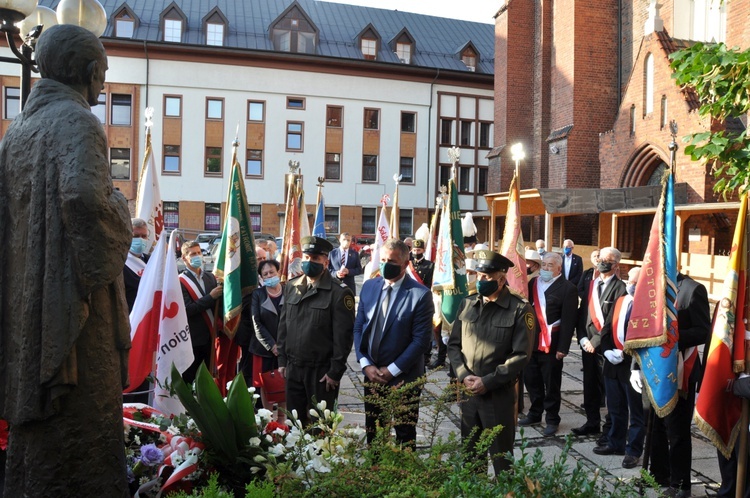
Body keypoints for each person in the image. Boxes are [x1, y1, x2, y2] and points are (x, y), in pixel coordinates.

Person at [0, 24, 132, 496]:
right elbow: (84, 201)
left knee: (38, 453)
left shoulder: (18, 133)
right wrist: (122, 207)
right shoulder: (77, 121)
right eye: (103, 72)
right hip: (75, 311)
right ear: (89, 70)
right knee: (83, 444)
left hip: (30, 318)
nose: (103, 83)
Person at [447, 249, 535, 475]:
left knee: (501, 460)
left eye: (486, 277)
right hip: (469, 394)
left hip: (498, 396)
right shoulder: (467, 303)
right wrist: (464, 375)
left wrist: (488, 381)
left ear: (501, 279)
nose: (480, 281)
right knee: (470, 457)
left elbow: (521, 355)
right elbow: (454, 345)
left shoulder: (519, 308)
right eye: (478, 276)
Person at [353, 239, 434, 446]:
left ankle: (404, 477)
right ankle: (375, 471)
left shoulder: (420, 294)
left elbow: (421, 341)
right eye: (382, 260)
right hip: (371, 374)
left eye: (391, 261)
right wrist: (365, 364)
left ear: (406, 264)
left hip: (404, 379)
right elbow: (359, 327)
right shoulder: (370, 286)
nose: (385, 264)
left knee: (404, 436)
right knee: (374, 432)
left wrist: (391, 370)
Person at [643, 272, 710, 497]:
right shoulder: (650, 287)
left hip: (681, 368)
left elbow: (702, 330)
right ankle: (659, 474)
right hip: (654, 369)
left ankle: (681, 484)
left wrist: (672, 336)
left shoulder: (693, 289)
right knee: (654, 427)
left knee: (677, 430)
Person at [277, 236, 355, 428]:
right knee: (294, 424)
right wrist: (282, 360)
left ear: (326, 262)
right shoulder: (292, 287)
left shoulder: (339, 292)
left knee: (320, 427)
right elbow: (283, 326)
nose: (309, 262)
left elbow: (343, 337)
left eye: (315, 258)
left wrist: (335, 372)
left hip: (321, 373)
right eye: (306, 257)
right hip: (293, 369)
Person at [519, 252, 578, 437]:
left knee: (551, 383)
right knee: (532, 379)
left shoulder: (568, 288)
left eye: (550, 265)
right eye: (543, 264)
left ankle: (552, 419)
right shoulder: (532, 283)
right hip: (532, 341)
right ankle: (535, 413)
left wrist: (563, 348)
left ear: (559, 268)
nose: (545, 268)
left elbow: (569, 321)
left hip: (552, 344)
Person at [573, 247, 626, 436]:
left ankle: (609, 428)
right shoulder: (591, 284)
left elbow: (614, 320)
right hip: (587, 345)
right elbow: (582, 314)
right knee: (590, 386)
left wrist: (595, 341)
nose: (603, 262)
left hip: (607, 347)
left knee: (610, 390)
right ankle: (591, 422)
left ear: (616, 264)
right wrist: (582, 337)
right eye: (601, 258)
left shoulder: (621, 289)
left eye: (608, 260)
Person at [594, 267, 644, 469]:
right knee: (615, 408)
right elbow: (606, 328)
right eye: (628, 280)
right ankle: (615, 443)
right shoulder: (621, 300)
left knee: (636, 413)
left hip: (633, 366)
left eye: (634, 282)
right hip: (612, 363)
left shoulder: (648, 308)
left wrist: (626, 354)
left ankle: (633, 450)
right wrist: (606, 351)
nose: (630, 285)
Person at [179, 240, 223, 384]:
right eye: (193, 254)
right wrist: (211, 297)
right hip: (192, 339)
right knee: (191, 379)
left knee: (206, 381)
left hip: (210, 337)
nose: (197, 256)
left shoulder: (210, 277)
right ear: (184, 258)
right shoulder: (180, 281)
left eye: (199, 252)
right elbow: (188, 309)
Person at [248, 260, 285, 421]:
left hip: (286, 347)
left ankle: (282, 420)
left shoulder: (289, 290)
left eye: (272, 272)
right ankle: (268, 421)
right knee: (266, 383)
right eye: (265, 274)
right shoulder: (258, 294)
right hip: (263, 348)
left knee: (284, 382)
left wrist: (283, 345)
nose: (269, 276)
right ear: (261, 277)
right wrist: (272, 345)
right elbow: (256, 322)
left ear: (278, 272)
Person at [123, 218, 152, 404]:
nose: (140, 240)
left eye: (143, 236)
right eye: (136, 236)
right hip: (130, 328)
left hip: (150, 327)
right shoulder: (120, 263)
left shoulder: (152, 261)